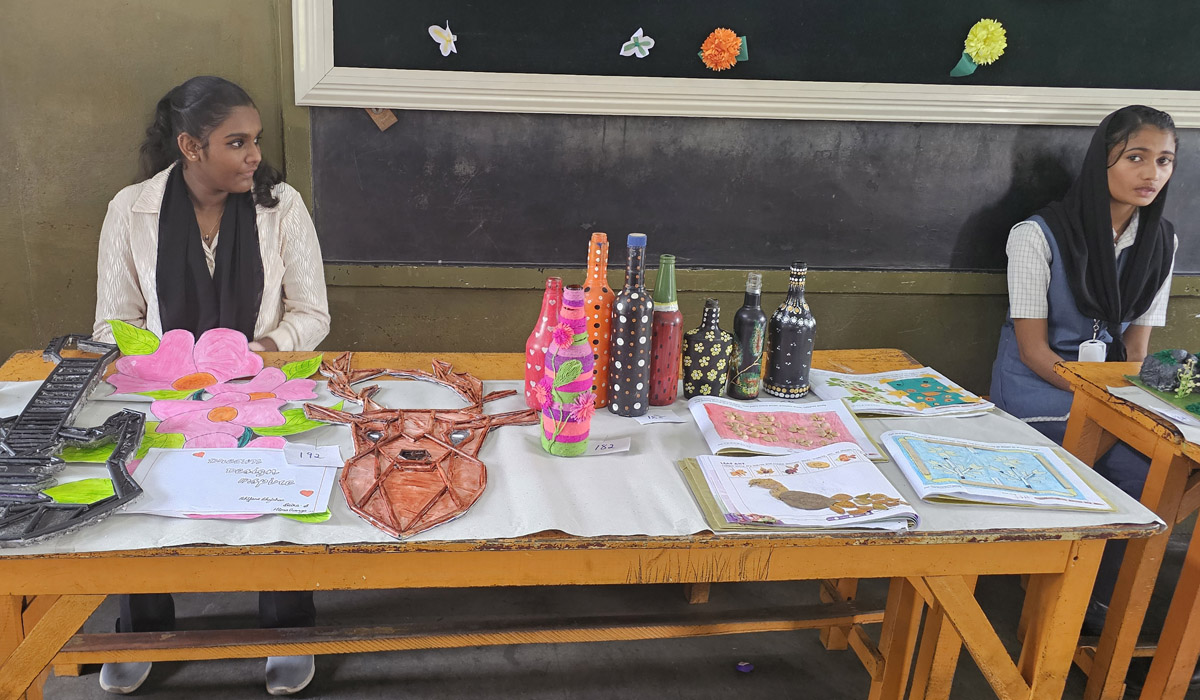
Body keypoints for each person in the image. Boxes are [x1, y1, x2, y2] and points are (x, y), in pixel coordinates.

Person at [91, 76, 329, 695]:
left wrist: (260, 351)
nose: (254, 156)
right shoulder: (132, 210)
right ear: (191, 146)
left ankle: (288, 629)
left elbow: (312, 313)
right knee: (142, 497)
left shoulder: (282, 207)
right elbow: (111, 323)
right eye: (237, 142)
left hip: (258, 384)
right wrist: (169, 367)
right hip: (164, 390)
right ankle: (142, 630)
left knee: (271, 499)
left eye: (256, 140)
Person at [990, 104, 1180, 686]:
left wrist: (1137, 408)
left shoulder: (1161, 241)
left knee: (1161, 464)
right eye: (1136, 157)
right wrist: (1108, 407)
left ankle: (1111, 607)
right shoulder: (1036, 235)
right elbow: (1034, 350)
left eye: (1165, 161)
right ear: (1103, 161)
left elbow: (1137, 352)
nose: (1151, 173)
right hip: (1039, 390)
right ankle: (1073, 606)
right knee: (1127, 462)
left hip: (1111, 391)